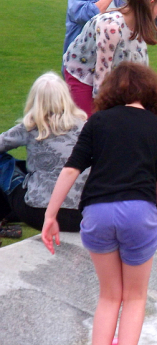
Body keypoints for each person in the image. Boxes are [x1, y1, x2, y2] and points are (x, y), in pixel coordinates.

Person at [42, 62, 157, 345]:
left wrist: (50, 216)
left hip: (96, 213)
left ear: (111, 91)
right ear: (152, 94)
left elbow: (70, 171)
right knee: (134, 298)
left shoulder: (98, 122)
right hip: (139, 214)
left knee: (109, 296)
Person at [63, 0, 157, 116]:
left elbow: (141, 68)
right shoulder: (111, 27)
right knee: (88, 124)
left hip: (111, 77)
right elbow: (101, 78)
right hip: (83, 74)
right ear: (151, 3)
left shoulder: (139, 25)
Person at [0, 72, 88, 232]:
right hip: (82, 215)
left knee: (4, 162)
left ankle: (4, 213)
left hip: (38, 213)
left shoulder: (31, 126)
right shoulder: (86, 127)